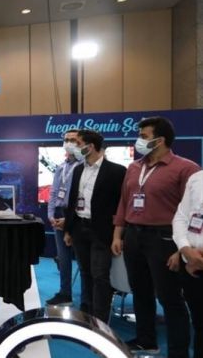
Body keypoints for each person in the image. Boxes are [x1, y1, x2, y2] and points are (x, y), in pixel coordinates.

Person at [112, 116, 200, 357]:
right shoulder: (134, 167)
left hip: (165, 238)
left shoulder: (186, 168)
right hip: (133, 235)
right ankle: (146, 340)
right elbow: (124, 202)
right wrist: (118, 234)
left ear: (160, 140)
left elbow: (192, 212)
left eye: (143, 136)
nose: (138, 140)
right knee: (140, 291)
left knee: (170, 298)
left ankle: (178, 351)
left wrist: (181, 249)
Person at [63, 129, 126, 321]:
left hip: (102, 231)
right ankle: (87, 315)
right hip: (79, 227)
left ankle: (100, 321)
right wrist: (68, 230)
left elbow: (121, 205)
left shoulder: (117, 171)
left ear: (90, 147)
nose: (74, 146)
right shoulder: (78, 170)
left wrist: (118, 235)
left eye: (78, 143)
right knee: (85, 272)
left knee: (100, 276)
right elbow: (72, 200)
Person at [45, 129, 80, 306]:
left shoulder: (84, 166)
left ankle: (88, 299)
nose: (68, 143)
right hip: (59, 214)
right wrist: (51, 214)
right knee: (63, 257)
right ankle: (65, 293)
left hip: (77, 216)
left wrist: (70, 219)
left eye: (73, 140)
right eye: (66, 139)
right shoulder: (61, 167)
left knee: (82, 258)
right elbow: (53, 192)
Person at [172, 170, 203, 358]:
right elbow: (181, 217)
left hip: (196, 263)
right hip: (190, 265)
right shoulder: (197, 178)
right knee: (199, 325)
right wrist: (185, 249)